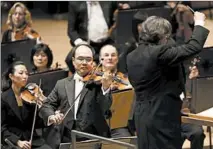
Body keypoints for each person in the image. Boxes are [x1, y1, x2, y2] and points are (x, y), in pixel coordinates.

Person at [126, 11, 209, 149]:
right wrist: (199, 23)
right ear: (161, 36)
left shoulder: (132, 55)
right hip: (161, 116)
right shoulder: (158, 53)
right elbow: (192, 48)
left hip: (142, 116)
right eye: (166, 37)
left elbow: (158, 76)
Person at [39, 44, 113, 149]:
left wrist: (105, 87)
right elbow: (46, 105)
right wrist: (52, 116)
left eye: (88, 59)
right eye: (80, 59)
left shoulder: (99, 83)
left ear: (92, 62)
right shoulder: (62, 84)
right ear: (73, 61)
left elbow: (105, 108)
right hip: (67, 137)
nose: (84, 62)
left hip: (94, 138)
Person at [1, 61, 51, 149]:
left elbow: (36, 123)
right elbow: (2, 128)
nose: (25, 76)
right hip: (13, 143)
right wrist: (17, 141)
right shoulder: (3, 98)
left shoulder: (30, 95)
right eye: (21, 73)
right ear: (11, 76)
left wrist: (50, 119)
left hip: (32, 140)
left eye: (26, 73)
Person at [99, 44, 132, 137]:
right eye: (106, 55)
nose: (110, 58)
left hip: (118, 124)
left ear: (117, 59)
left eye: (113, 55)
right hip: (97, 123)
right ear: (100, 59)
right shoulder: (93, 79)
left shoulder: (125, 79)